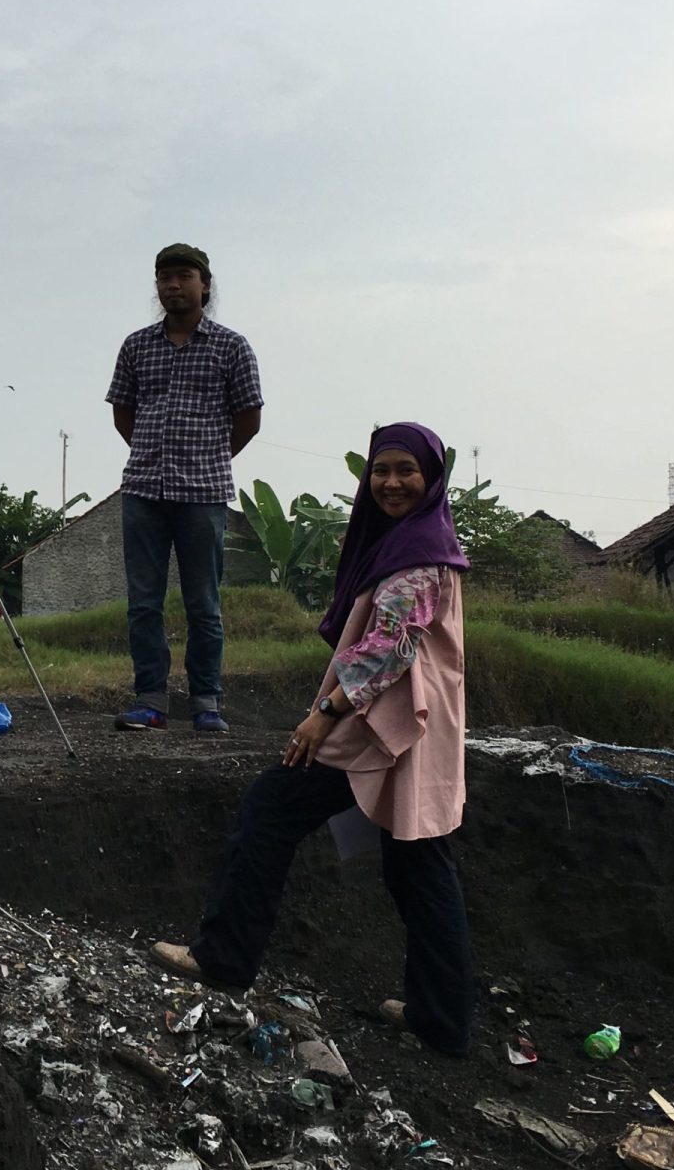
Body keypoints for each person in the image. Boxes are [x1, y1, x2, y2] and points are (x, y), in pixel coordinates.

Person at [148, 422, 476, 1055]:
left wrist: (323, 712)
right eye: (381, 470)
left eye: (407, 470)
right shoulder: (418, 542)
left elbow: (388, 648)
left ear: (432, 477)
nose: (391, 482)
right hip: (415, 725)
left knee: (272, 808)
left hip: (380, 721)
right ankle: (443, 1020)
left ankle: (223, 958)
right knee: (419, 863)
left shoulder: (416, 553)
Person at [105, 243, 262, 734]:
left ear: (205, 285)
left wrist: (208, 456)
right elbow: (122, 412)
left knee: (204, 604)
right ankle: (150, 701)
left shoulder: (232, 347)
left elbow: (249, 419)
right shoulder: (136, 345)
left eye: (183, 276)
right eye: (164, 277)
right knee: (144, 603)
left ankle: (206, 704)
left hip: (204, 494)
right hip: (143, 492)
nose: (172, 285)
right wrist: (155, 452)